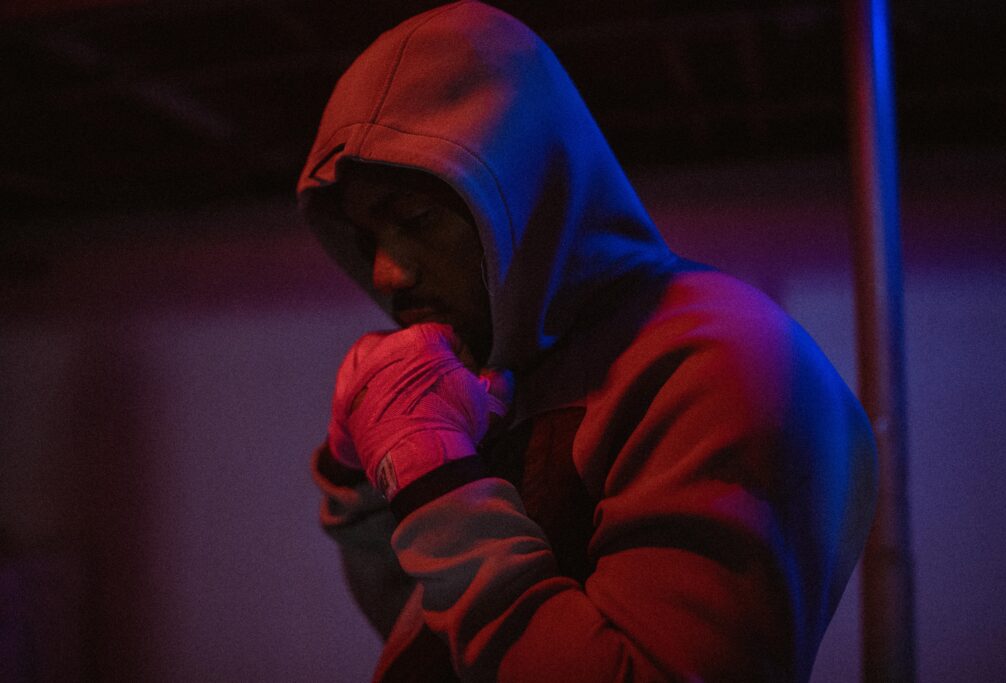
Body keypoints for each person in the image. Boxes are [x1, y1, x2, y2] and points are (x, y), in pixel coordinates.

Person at [296, 2, 878, 681]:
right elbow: (441, 642)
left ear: (519, 188)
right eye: (367, 239)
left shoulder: (723, 359)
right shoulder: (501, 368)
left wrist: (437, 479)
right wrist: (362, 480)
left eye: (418, 219)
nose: (385, 272)